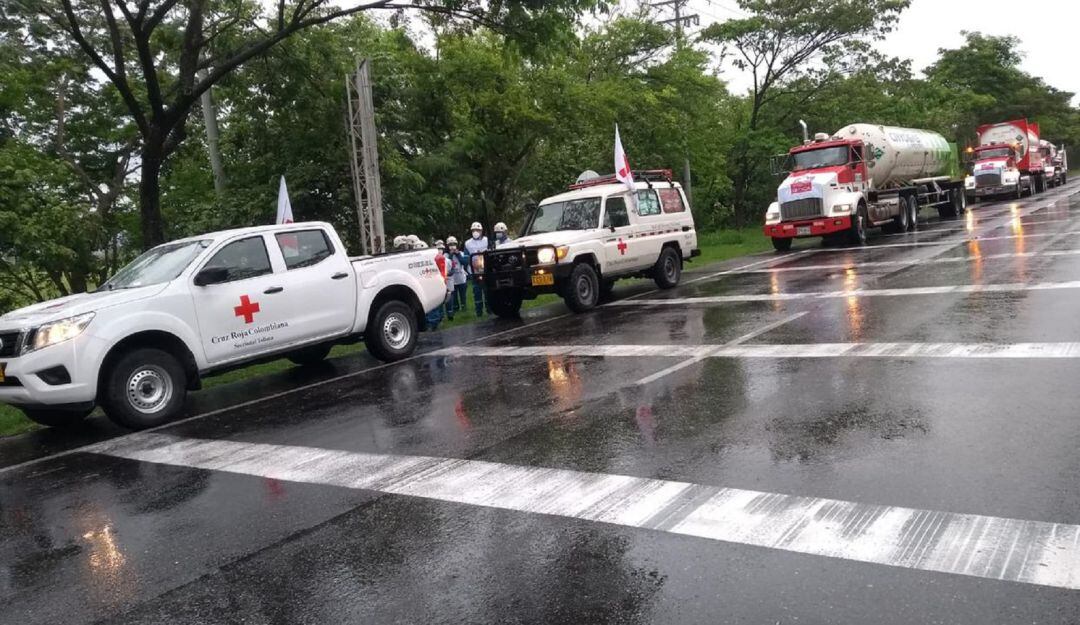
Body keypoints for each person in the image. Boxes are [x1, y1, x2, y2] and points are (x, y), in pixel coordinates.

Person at [464, 221, 490, 316]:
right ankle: (479, 312)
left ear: (481, 231)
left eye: (477, 230)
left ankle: (489, 309)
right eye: (473, 230)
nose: (475, 232)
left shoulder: (487, 240)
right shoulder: (467, 243)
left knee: (487, 290)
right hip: (474, 271)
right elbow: (466, 257)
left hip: (486, 269)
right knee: (477, 291)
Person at [446, 236, 468, 318]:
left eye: (453, 244)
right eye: (450, 245)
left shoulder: (461, 253)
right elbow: (448, 265)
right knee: (454, 295)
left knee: (463, 295)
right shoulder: (446, 255)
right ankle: (456, 308)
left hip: (461, 278)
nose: (452, 246)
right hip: (452, 280)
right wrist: (451, 255)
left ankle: (464, 306)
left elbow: (465, 263)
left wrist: (458, 255)